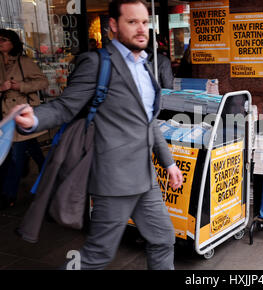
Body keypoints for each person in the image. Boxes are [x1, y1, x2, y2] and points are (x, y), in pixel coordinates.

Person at [13, 0, 183, 270]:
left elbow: (147, 121)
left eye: (144, 22)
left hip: (145, 178)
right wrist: (34, 119)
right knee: (97, 256)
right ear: (113, 26)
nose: (141, 29)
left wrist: (169, 162)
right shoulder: (97, 63)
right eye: (132, 22)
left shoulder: (147, 66)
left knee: (163, 240)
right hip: (113, 180)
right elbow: (65, 106)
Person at [0, 29, 48, 209]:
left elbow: (43, 82)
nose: (0, 42)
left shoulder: (24, 62)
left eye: (4, 39)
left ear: (13, 42)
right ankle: (50, 174)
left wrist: (20, 86)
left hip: (22, 114)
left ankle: (9, 194)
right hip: (5, 115)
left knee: (16, 156)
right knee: (33, 149)